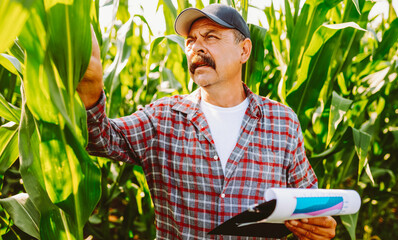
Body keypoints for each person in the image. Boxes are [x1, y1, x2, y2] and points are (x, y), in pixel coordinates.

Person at [78, 4, 337, 240]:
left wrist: (319, 226)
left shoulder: (282, 122)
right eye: (191, 41)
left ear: (244, 50)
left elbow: (308, 202)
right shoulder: (163, 118)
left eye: (211, 36)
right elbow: (101, 138)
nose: (197, 47)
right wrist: (90, 87)